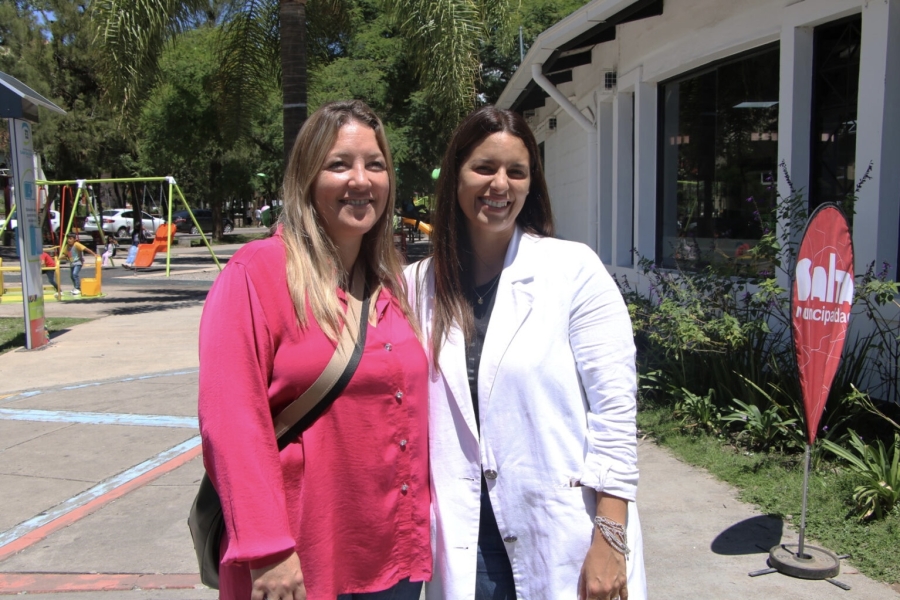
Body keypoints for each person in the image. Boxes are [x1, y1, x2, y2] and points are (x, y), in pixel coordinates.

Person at [405, 106, 646, 600]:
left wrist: (610, 535)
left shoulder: (573, 271)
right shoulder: (416, 286)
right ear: (455, 176)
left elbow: (615, 413)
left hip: (563, 533)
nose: (500, 184)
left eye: (516, 172)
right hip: (464, 542)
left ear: (532, 183)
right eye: (484, 167)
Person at [198, 100, 431, 600]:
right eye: (339, 164)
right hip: (297, 561)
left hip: (395, 555)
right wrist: (267, 549)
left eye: (375, 164)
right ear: (307, 177)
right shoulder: (257, 272)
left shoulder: (392, 282)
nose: (361, 179)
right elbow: (231, 420)